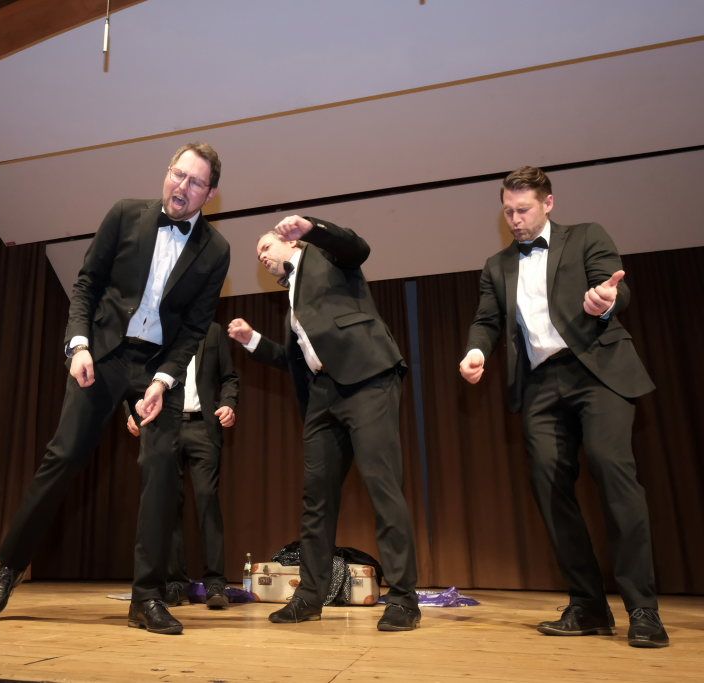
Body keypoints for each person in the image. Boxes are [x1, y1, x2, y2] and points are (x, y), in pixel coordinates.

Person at [0, 143, 230, 635]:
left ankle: (147, 597)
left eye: (195, 182)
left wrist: (164, 379)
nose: (182, 186)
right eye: (178, 174)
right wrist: (79, 345)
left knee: (162, 472)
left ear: (211, 193)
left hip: (158, 369)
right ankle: (8, 568)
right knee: (63, 456)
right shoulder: (125, 214)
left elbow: (197, 327)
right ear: (168, 173)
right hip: (106, 353)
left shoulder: (216, 250)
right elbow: (87, 285)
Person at [459, 166, 668, 648]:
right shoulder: (496, 265)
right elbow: (486, 320)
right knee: (550, 486)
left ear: (548, 203)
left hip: (596, 371)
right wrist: (475, 351)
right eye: (507, 211)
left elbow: (615, 288)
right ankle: (589, 606)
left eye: (523, 210)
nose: (515, 219)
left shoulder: (587, 236)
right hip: (540, 383)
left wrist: (605, 301)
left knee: (612, 471)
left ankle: (643, 608)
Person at [228, 215, 421, 632]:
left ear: (291, 243)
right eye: (257, 256)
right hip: (323, 394)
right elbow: (294, 360)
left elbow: (357, 247)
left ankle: (404, 599)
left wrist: (311, 227)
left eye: (265, 247)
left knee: (382, 487)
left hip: (367, 378)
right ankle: (310, 597)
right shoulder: (293, 299)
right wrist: (253, 341)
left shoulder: (325, 257)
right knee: (316, 499)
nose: (261, 257)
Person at [124, 321, 238, 609]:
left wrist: (228, 403)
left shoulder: (211, 331)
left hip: (203, 427)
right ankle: (175, 583)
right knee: (168, 503)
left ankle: (215, 583)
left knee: (207, 499)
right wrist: (131, 412)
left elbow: (229, 377)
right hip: (163, 427)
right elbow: (134, 376)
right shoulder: (156, 330)